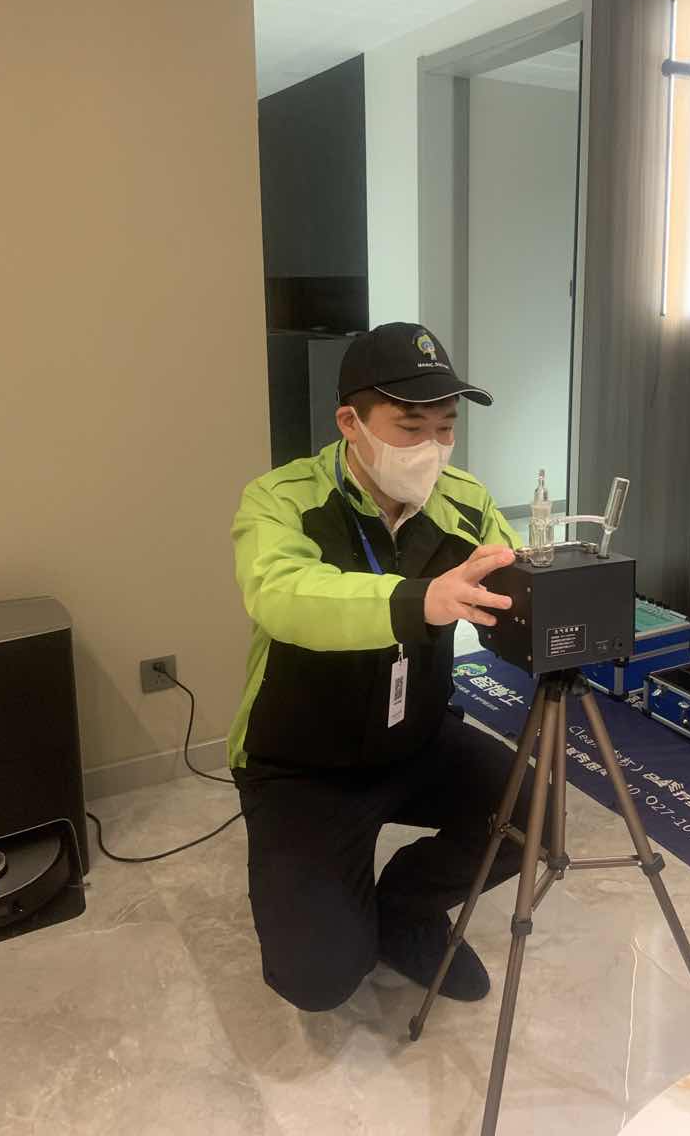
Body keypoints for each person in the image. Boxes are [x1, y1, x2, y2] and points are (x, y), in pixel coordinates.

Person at [229, 322, 539, 1013]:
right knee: (319, 979)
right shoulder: (281, 498)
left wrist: (552, 606)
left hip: (417, 739)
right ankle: (336, 906)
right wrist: (417, 601)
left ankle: (404, 908)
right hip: (303, 764)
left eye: (446, 427)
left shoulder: (465, 500)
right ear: (351, 422)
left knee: (535, 813)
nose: (432, 446)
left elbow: (510, 583)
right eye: (410, 427)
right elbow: (281, 595)